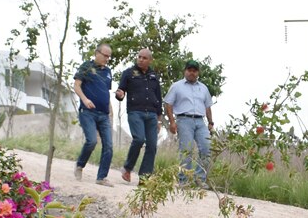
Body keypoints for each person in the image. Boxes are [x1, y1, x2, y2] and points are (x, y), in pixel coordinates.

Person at [115, 48, 163, 183]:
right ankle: (127, 168)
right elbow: (121, 91)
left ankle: (144, 178)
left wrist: (159, 120)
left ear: (150, 60)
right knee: (139, 139)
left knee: (152, 145)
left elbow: (158, 98)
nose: (141, 59)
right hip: (136, 112)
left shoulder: (154, 76)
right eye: (139, 57)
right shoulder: (128, 73)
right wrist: (120, 94)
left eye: (144, 58)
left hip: (152, 115)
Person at [163, 59, 215, 185]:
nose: (192, 73)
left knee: (207, 148)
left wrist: (210, 122)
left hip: (200, 121)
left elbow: (207, 106)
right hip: (184, 120)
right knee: (186, 150)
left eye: (194, 71)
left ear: (198, 72)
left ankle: (200, 179)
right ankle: (184, 180)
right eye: (189, 70)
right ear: (185, 71)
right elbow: (168, 104)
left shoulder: (203, 88)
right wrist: (172, 122)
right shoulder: (177, 86)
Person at [73, 43, 115, 185]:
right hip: (88, 112)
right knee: (92, 141)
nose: (107, 59)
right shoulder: (86, 66)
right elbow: (76, 85)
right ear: (97, 53)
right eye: (105, 55)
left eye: (109, 57)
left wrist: (110, 111)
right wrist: (85, 100)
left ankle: (101, 177)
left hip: (104, 114)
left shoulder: (108, 72)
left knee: (108, 145)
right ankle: (80, 165)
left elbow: (105, 91)